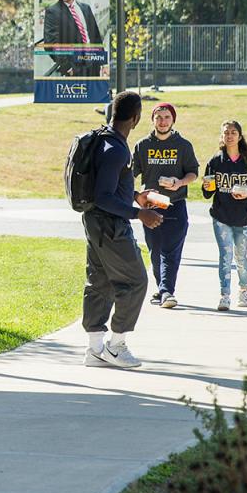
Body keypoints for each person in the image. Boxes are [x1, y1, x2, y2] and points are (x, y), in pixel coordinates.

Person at [82, 90, 164, 369]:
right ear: (136, 117)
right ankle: (116, 346)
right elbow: (104, 195)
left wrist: (136, 195)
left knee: (100, 282)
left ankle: (94, 350)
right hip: (110, 225)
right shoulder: (116, 149)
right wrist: (138, 213)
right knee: (137, 280)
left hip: (95, 224)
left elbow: (109, 187)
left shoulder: (104, 139)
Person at [133, 102, 201, 309]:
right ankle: (163, 288)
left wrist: (179, 182)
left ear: (173, 120)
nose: (162, 121)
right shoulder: (142, 145)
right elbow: (129, 175)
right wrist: (137, 196)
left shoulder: (183, 145)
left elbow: (193, 173)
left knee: (171, 251)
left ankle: (166, 291)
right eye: (159, 117)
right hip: (151, 206)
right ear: (152, 120)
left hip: (176, 205)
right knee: (155, 250)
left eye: (167, 117)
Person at [200, 119, 247, 311]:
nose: (229, 136)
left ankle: (244, 290)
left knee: (240, 257)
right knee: (225, 256)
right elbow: (207, 193)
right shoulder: (215, 161)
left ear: (240, 136)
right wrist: (206, 186)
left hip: (243, 217)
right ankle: (224, 295)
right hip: (221, 216)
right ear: (222, 136)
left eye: (233, 132)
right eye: (226, 132)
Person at [42, 0, 103, 77]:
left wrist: (102, 62)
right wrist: (67, 67)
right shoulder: (52, 12)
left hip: (93, 63)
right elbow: (51, 44)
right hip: (75, 68)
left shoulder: (85, 8)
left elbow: (95, 36)